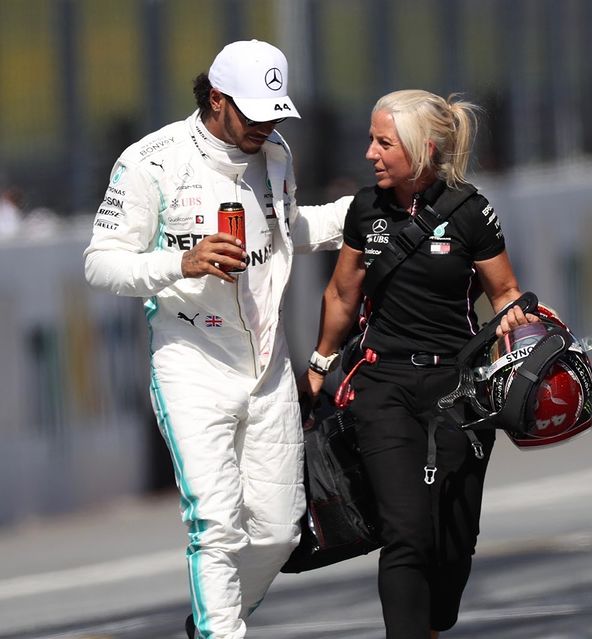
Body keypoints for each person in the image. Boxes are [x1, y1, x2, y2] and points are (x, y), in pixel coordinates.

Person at [84, 39, 352, 639]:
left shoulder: (276, 153)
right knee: (215, 522)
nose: (266, 125)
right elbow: (100, 265)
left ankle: (211, 621)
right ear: (217, 98)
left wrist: (359, 213)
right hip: (189, 359)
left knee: (281, 531)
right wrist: (181, 264)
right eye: (255, 112)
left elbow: (288, 228)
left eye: (276, 111)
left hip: (266, 364)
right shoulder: (150, 162)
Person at [300, 89, 536, 639]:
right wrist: (318, 365)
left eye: (383, 142)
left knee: (452, 539)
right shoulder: (365, 211)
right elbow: (341, 295)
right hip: (383, 387)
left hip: (457, 389)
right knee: (405, 533)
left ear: (423, 149)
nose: (369, 153)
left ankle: (432, 622)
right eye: (371, 140)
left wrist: (518, 338)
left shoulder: (472, 211)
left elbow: (505, 293)